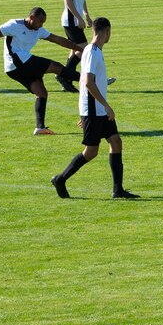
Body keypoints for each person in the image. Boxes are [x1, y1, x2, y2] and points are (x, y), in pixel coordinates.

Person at [50, 17, 138, 199]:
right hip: (96, 109)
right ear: (106, 32)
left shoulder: (94, 51)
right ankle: (60, 179)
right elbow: (88, 82)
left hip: (95, 109)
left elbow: (85, 80)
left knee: (116, 142)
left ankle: (117, 190)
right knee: (91, 152)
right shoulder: (92, 52)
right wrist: (103, 107)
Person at [0, 7, 84, 135]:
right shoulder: (14, 25)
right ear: (31, 17)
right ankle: (87, 79)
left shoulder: (38, 30)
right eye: (39, 21)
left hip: (16, 69)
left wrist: (79, 49)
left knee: (42, 93)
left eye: (43, 22)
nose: (41, 25)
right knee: (56, 66)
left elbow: (57, 39)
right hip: (17, 62)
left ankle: (40, 128)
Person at [57, 0, 92, 94]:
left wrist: (86, 15)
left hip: (76, 19)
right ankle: (63, 76)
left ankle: (66, 79)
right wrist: (78, 18)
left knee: (73, 50)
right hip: (70, 20)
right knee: (83, 49)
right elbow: (68, 0)